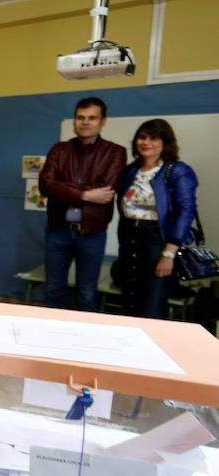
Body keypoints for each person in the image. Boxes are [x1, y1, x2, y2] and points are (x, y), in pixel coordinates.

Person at [39, 97, 126, 311]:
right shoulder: (59, 149)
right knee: (53, 289)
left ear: (102, 121)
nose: (85, 122)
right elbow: (45, 185)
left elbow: (106, 190)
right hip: (57, 231)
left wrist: (63, 188)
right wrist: (86, 196)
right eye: (80, 117)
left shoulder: (115, 152)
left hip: (92, 235)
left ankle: (83, 341)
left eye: (92, 118)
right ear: (74, 120)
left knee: (86, 293)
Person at [116, 119, 198, 319]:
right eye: (142, 137)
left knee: (152, 303)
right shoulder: (131, 170)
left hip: (158, 241)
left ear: (165, 142)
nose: (146, 142)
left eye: (153, 138)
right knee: (130, 299)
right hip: (129, 237)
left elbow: (185, 211)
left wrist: (168, 254)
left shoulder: (177, 171)